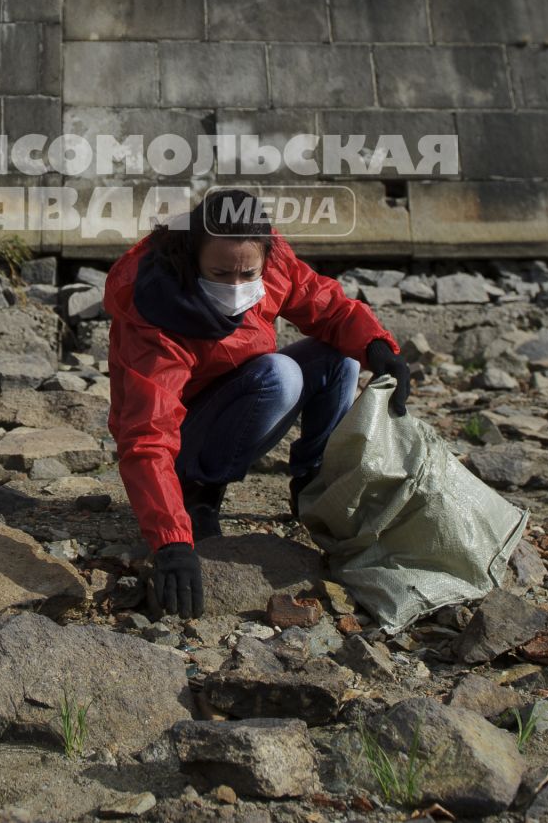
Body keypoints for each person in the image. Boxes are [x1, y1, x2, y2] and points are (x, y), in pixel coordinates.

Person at [103, 188, 411, 620]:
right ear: (192, 257)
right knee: (280, 376)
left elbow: (326, 305)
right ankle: (199, 492)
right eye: (221, 274)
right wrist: (172, 541)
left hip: (241, 396)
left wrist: (378, 347)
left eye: (248, 274)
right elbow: (147, 435)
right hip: (182, 441)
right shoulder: (157, 311)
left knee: (338, 357)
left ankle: (313, 486)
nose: (237, 286)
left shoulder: (273, 261)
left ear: (266, 256)